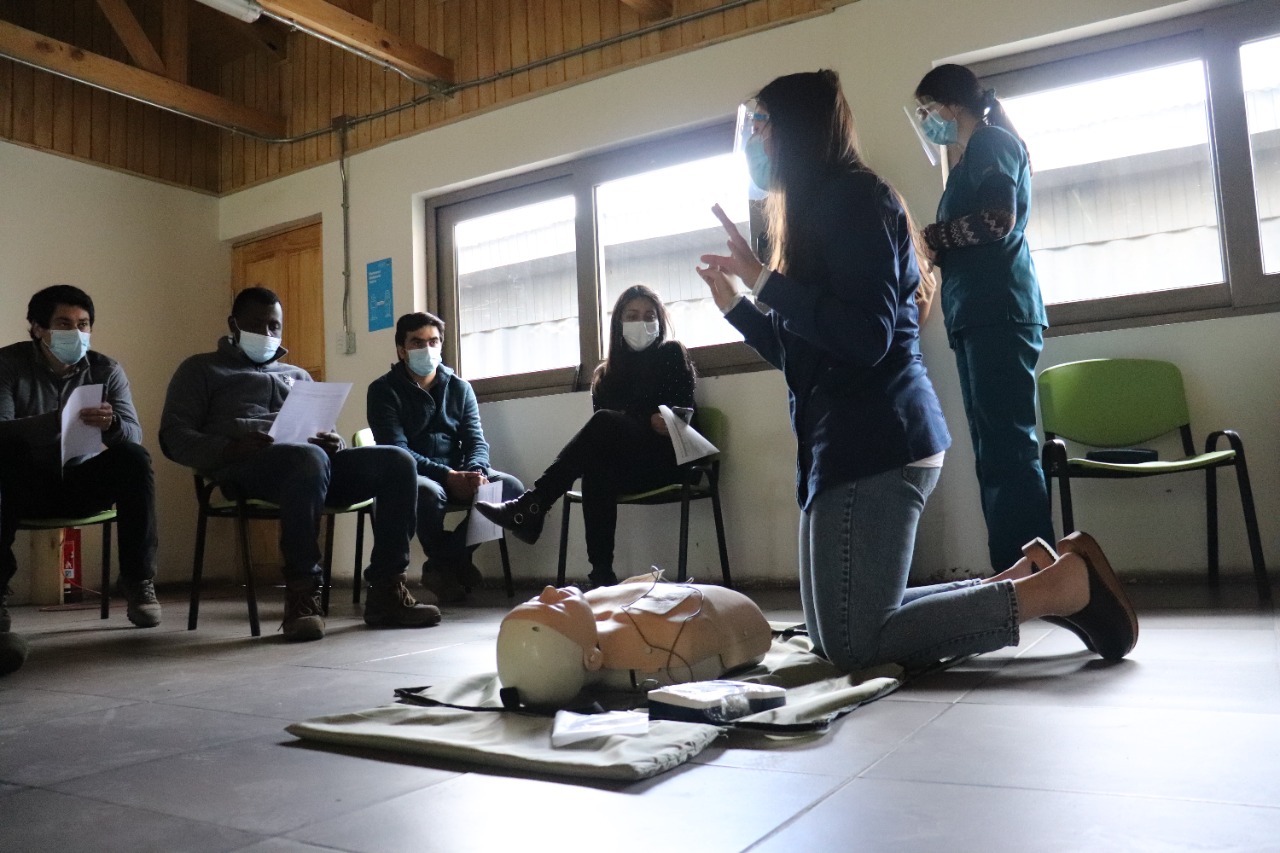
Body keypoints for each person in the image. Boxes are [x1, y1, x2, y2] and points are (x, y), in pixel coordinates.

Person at [696, 70, 1136, 671]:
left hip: (880, 439)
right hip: (841, 442)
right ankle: (1022, 573)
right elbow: (804, 353)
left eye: (763, 126)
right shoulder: (812, 213)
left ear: (794, 131)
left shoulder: (853, 199)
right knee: (834, 634)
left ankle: (1059, 588)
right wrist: (739, 309)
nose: (754, 142)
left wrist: (767, 281)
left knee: (853, 642)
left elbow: (866, 336)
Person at [159, 286, 439, 641]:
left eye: (275, 327)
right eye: (258, 326)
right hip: (245, 468)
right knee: (307, 459)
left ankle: (386, 589)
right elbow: (173, 437)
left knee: (396, 461)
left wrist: (334, 441)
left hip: (311, 466)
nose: (267, 335)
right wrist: (230, 447)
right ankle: (303, 594)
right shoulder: (200, 370)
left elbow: (326, 436)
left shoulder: (299, 376)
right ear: (234, 324)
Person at [912, 63, 1055, 573]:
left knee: (1009, 453)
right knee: (994, 453)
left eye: (927, 110)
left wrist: (932, 238)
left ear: (950, 107)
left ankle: (1035, 575)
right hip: (977, 315)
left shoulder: (992, 144)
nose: (926, 121)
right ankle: (1013, 575)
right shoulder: (972, 155)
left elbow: (997, 221)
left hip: (1000, 311)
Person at [476, 285, 696, 588]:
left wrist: (660, 420)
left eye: (649, 315)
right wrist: (646, 419)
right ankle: (601, 577)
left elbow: (684, 412)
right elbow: (609, 438)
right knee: (596, 466)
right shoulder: (606, 375)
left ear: (660, 321)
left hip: (666, 460)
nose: (642, 322)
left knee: (604, 424)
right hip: (627, 468)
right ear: (618, 323)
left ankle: (534, 505)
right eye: (632, 316)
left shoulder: (672, 354)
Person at [0, 285, 161, 673]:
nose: (77, 333)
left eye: (84, 324)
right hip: (21, 486)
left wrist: (112, 425)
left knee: (134, 458)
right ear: (37, 328)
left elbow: (133, 436)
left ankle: (138, 582)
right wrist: (50, 423)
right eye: (64, 324)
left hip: (79, 483)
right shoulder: (8, 364)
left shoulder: (106, 369)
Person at [367, 312, 524, 602]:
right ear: (402, 350)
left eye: (433, 341)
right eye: (417, 342)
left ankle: (445, 562)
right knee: (426, 493)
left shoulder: (460, 388)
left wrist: (476, 472)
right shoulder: (382, 391)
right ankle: (454, 563)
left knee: (509, 487)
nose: (427, 348)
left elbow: (476, 439)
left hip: (460, 470)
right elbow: (397, 451)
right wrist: (447, 477)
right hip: (416, 475)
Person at [496, 572, 773, 706]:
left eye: (535, 600)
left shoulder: (589, 610)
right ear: (592, 658)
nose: (547, 590)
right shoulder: (666, 649)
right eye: (553, 606)